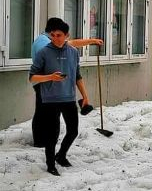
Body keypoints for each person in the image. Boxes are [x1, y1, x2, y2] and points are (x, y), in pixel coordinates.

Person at [29, 19, 90, 176]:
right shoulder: (44, 52)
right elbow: (32, 77)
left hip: (69, 98)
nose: (56, 38)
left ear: (66, 36)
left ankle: (61, 155)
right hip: (50, 100)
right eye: (53, 35)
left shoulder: (73, 52)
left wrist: (85, 96)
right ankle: (50, 165)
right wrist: (50, 77)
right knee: (52, 134)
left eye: (59, 35)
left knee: (73, 131)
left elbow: (77, 76)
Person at [30, 18, 102, 148]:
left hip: (50, 81)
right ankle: (41, 141)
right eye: (56, 34)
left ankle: (44, 140)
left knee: (43, 111)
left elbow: (71, 43)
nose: (58, 38)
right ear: (52, 31)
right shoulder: (44, 43)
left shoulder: (47, 39)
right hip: (45, 82)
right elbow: (48, 61)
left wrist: (92, 41)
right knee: (44, 112)